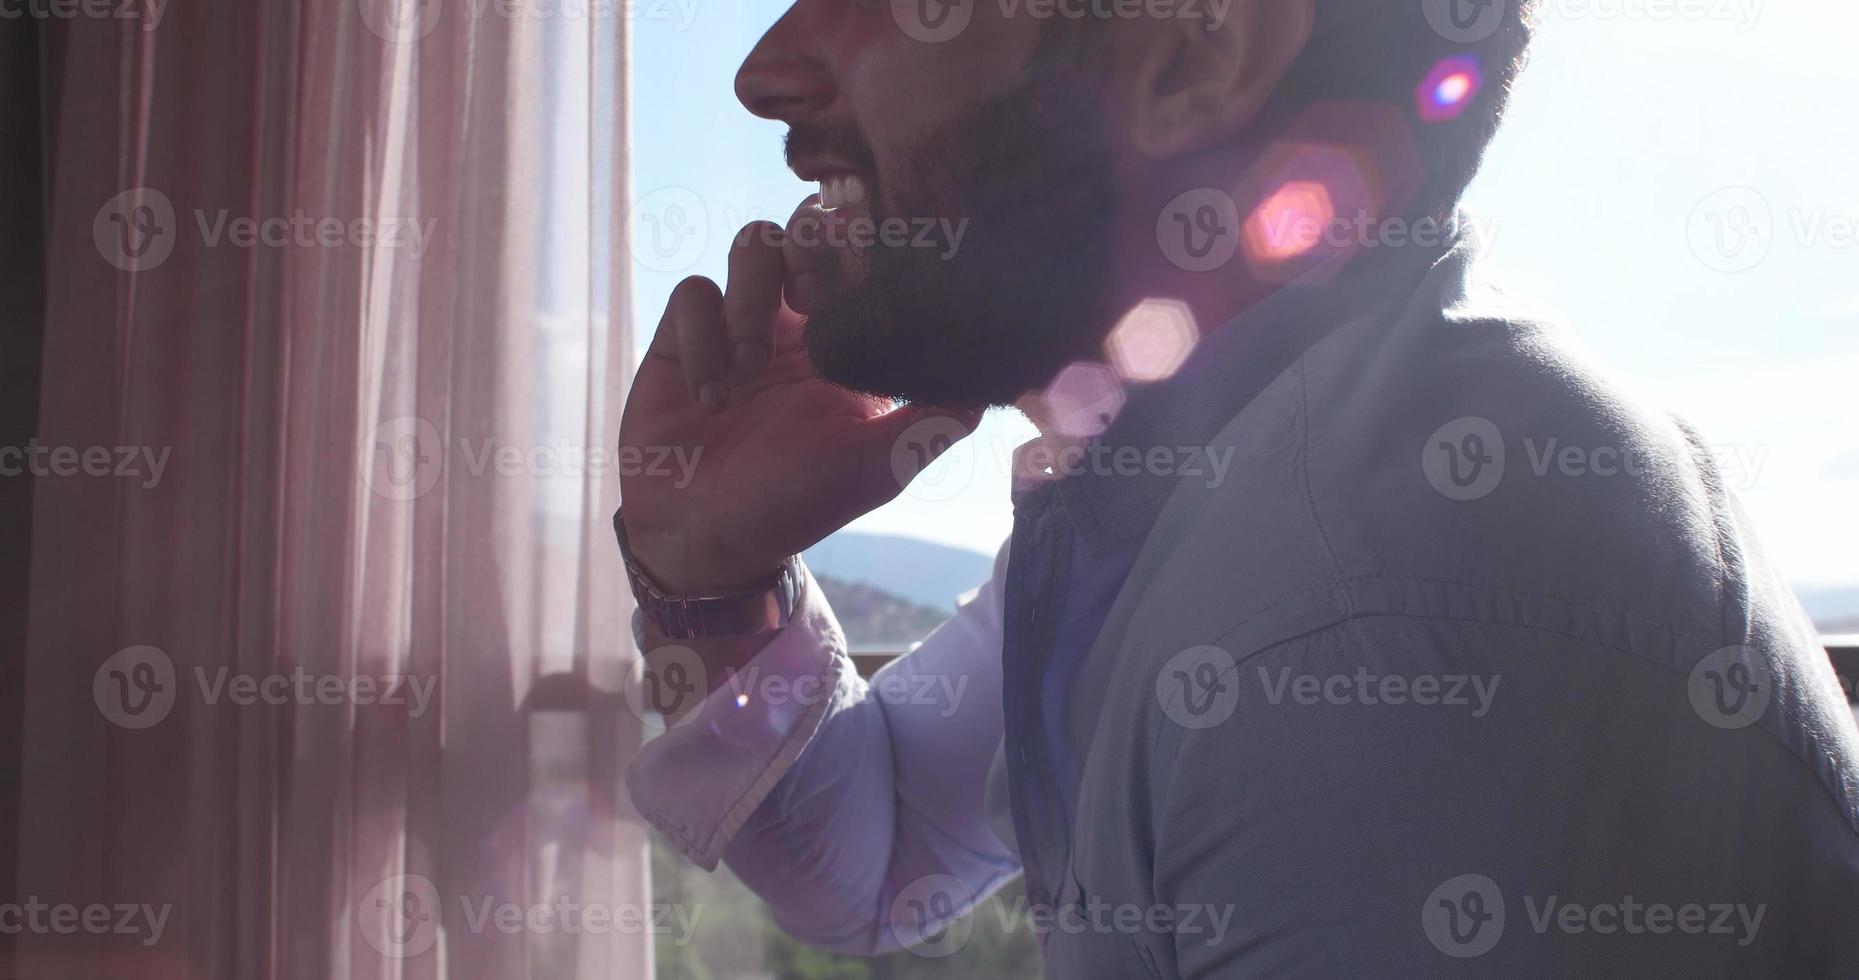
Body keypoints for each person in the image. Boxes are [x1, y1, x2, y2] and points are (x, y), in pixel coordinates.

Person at [615, 1, 1859, 975]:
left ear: (1198, 53)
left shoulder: (1359, 613)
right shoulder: (1201, 485)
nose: (766, 66)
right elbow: (876, 859)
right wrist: (707, 577)